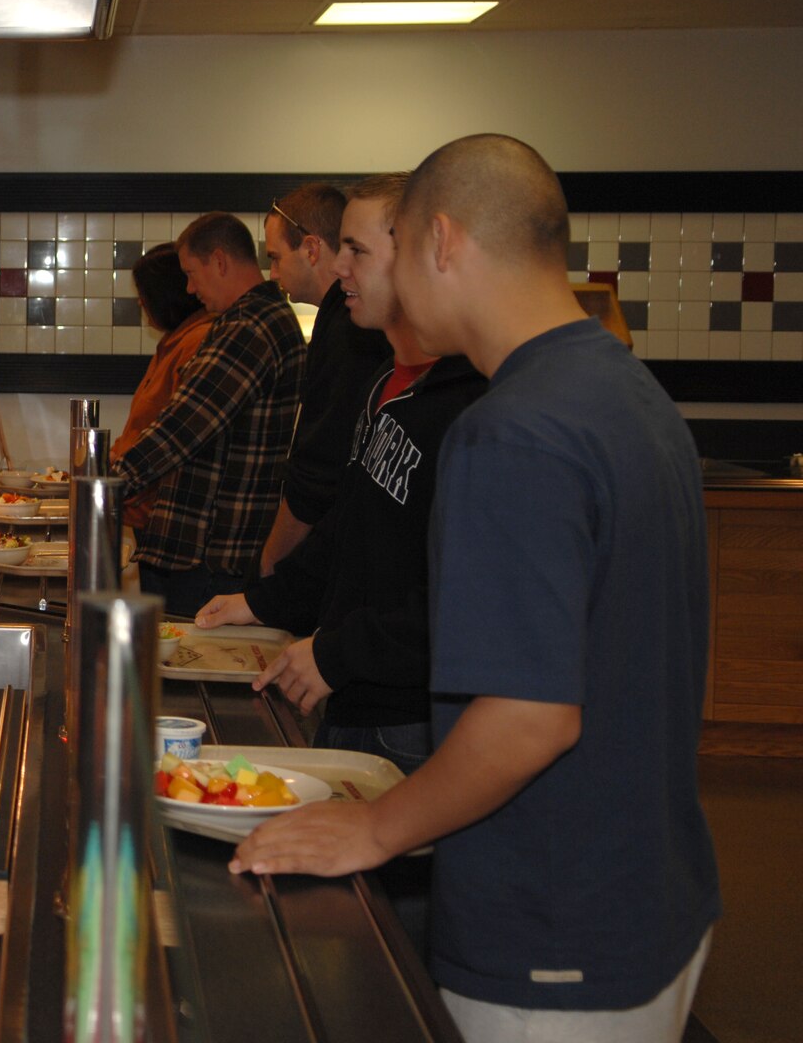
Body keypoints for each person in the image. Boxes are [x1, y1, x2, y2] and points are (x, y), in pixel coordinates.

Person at [232, 135, 720, 1043]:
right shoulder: (624, 389)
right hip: (650, 897)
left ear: (443, 243)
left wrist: (374, 830)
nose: (371, 281)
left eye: (392, 250)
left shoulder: (513, 432)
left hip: (549, 926)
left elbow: (531, 716)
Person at [196, 174, 485, 775]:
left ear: (421, 257)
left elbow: (459, 600)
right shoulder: (383, 380)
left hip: (410, 716)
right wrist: (263, 598)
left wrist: (335, 652)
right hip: (354, 696)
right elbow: (348, 525)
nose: (339, 268)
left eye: (357, 250)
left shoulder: (473, 403)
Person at [113, 213, 305, 615]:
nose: (189, 288)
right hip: (214, 552)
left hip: (211, 556)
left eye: (191, 273)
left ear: (219, 261)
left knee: (182, 671)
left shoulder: (249, 326)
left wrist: (101, 488)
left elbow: (182, 427)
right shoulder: (251, 319)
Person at [259, 182, 393, 573]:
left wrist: (270, 565)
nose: (272, 272)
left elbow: (319, 468)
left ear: (312, 249)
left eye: (275, 257)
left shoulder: (350, 329)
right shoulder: (338, 318)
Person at [108, 243, 211, 530]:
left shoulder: (195, 342)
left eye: (144, 294)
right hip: (137, 507)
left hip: (154, 514)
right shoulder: (175, 341)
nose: (141, 303)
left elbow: (174, 435)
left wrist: (118, 471)